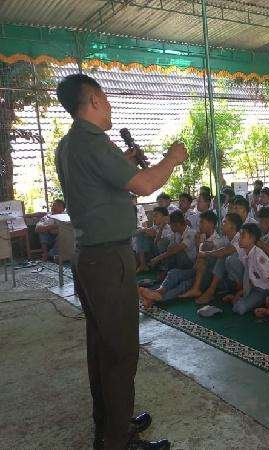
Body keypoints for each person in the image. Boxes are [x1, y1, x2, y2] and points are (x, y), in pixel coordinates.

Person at [55, 73, 184, 449]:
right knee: (120, 350)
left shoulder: (69, 144)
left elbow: (96, 185)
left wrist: (124, 162)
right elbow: (144, 185)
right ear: (93, 100)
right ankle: (118, 439)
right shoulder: (94, 141)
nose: (109, 106)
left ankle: (109, 423)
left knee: (102, 345)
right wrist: (172, 158)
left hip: (89, 256)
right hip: (109, 257)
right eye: (106, 99)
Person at [226, 224, 269, 315]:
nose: (239, 238)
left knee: (240, 308)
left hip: (264, 290)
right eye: (240, 235)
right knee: (237, 303)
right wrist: (240, 293)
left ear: (252, 239)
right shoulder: (245, 252)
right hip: (254, 287)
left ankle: (265, 300)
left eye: (243, 236)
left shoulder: (259, 256)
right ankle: (245, 299)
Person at [134, 206, 171, 273]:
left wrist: (161, 228)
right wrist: (144, 230)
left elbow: (158, 241)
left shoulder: (169, 228)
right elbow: (135, 233)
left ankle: (162, 266)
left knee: (161, 242)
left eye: (156, 216)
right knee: (141, 235)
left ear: (164, 217)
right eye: (153, 216)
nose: (154, 218)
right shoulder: (155, 227)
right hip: (154, 252)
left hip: (163, 255)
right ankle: (143, 264)